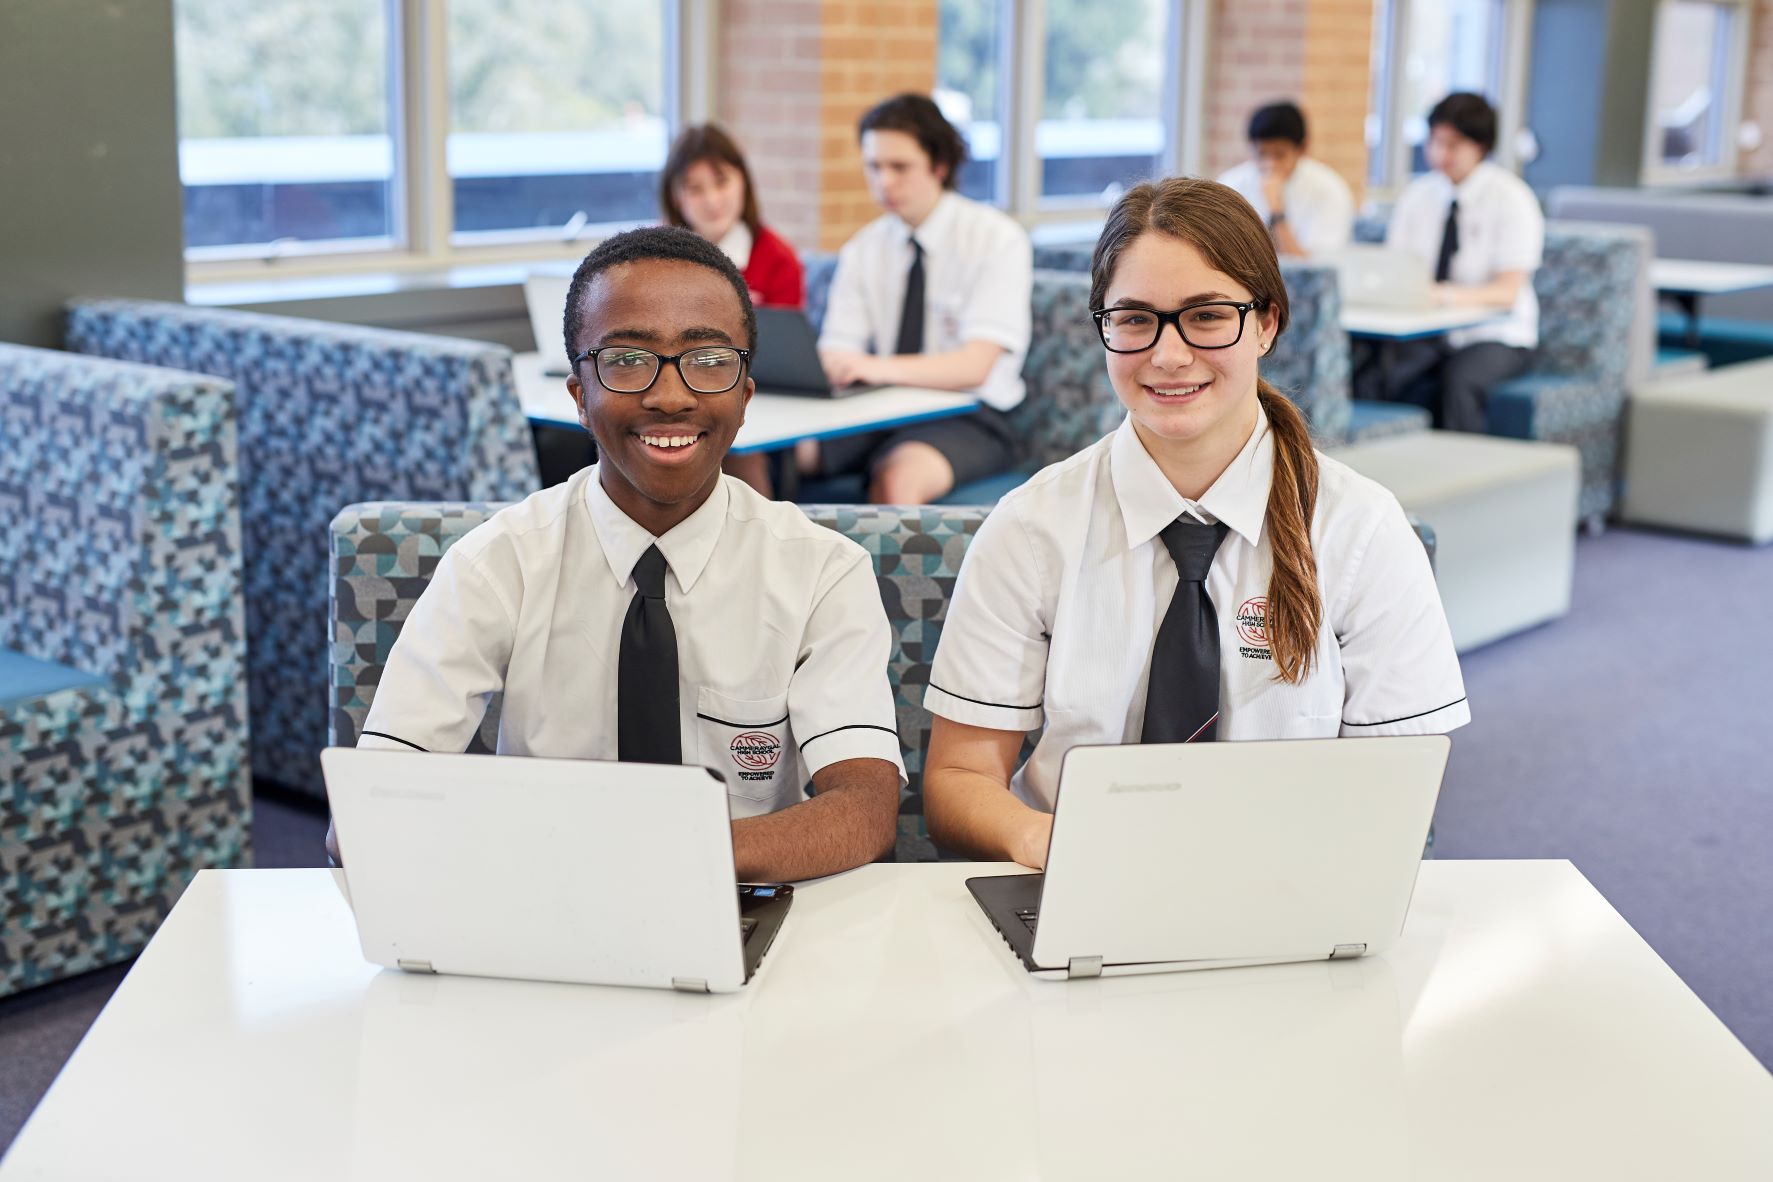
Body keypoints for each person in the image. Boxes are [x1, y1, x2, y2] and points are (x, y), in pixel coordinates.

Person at [920, 177, 1469, 869]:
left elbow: (1394, 794)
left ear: (1266, 322)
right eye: (1134, 318)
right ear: (1102, 329)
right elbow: (957, 780)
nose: (1168, 353)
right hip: (1070, 882)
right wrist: (1047, 844)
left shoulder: (1359, 531)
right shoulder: (1031, 530)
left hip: (1285, 893)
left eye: (1207, 315)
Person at [325, 227, 903, 882]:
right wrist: (574, 865)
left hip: (747, 900)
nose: (670, 395)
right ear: (579, 395)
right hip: (543, 905)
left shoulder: (821, 572)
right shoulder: (496, 564)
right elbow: (362, 820)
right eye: (626, 359)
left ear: (745, 393)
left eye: (708, 359)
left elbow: (864, 808)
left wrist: (655, 862)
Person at [810, 92, 1033, 504]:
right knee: (769, 457)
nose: (884, 183)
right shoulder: (864, 248)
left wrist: (870, 368)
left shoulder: (995, 239)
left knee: (898, 481)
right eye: (874, 167)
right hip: (874, 408)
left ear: (939, 165)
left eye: (900, 167)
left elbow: (974, 367)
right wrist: (843, 368)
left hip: (969, 415)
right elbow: (838, 349)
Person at [1363, 92, 1544, 433]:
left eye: (1453, 144)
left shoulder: (1512, 198)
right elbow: (1395, 269)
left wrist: (1442, 296)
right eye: (1434, 142)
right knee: (1380, 377)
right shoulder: (1419, 195)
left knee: (1459, 381)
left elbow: (1507, 292)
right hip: (1428, 330)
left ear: (1481, 145)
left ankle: (1461, 476)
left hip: (1496, 334)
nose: (1440, 154)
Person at [660, 123, 804, 310]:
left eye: (722, 183)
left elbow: (784, 337)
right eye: (695, 189)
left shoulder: (779, 261)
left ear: (743, 180)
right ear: (675, 197)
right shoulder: (655, 258)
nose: (712, 201)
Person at [1217, 100, 1354, 259]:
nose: (1270, 164)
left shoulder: (1329, 189)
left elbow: (1312, 269)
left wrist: (1276, 209)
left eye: (1280, 155)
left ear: (1302, 148)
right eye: (1261, 154)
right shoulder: (1231, 184)